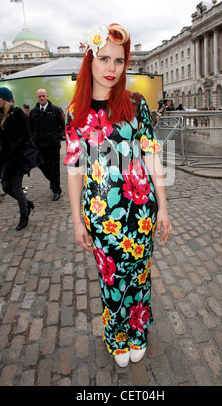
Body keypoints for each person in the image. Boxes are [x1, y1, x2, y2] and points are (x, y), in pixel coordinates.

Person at [65, 24, 172, 368]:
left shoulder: (135, 104)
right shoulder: (75, 114)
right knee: (111, 277)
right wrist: (76, 219)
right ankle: (116, 334)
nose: (111, 68)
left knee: (139, 273)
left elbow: (153, 154)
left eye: (119, 60)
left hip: (141, 211)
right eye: (104, 58)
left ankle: (138, 332)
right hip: (100, 214)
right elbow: (74, 169)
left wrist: (164, 209)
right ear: (90, 61)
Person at [0, 87, 34, 230]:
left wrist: (14, 146)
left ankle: (24, 215)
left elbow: (26, 135)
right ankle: (26, 203)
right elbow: (2, 137)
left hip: (18, 156)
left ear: (5, 99)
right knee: (5, 186)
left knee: (16, 186)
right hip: (6, 155)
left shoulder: (17, 113)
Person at [29, 89, 65, 201]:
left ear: (47, 96)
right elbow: (30, 127)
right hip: (39, 145)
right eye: (39, 96)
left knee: (54, 168)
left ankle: (56, 190)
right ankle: (53, 182)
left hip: (52, 145)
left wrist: (58, 136)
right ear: (37, 97)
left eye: (43, 96)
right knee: (41, 165)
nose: (41, 98)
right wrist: (32, 138)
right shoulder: (33, 112)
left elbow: (63, 125)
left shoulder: (56, 110)